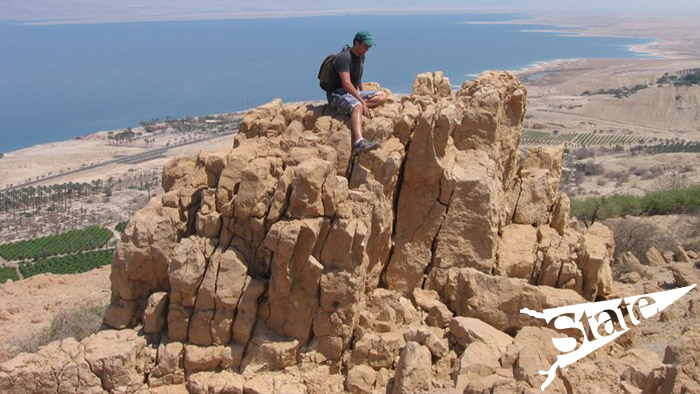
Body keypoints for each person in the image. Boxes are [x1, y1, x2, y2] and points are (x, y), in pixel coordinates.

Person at [326, 30, 388, 154]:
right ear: (356, 43)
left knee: (382, 96)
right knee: (358, 105)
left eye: (369, 46)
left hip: (351, 92)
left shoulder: (360, 57)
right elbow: (346, 83)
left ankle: (355, 109)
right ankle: (359, 142)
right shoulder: (344, 58)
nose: (367, 49)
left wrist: (361, 93)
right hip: (337, 94)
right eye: (365, 46)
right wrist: (361, 101)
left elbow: (357, 78)